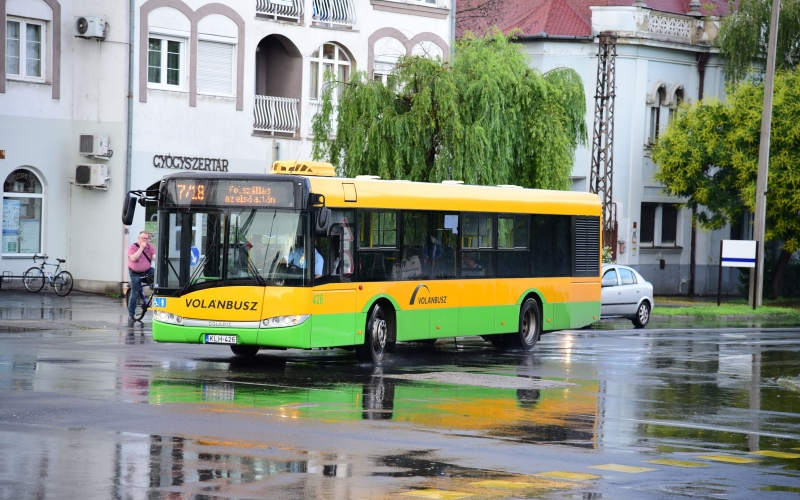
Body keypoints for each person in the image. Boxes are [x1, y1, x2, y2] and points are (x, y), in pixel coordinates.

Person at [127, 231, 155, 326]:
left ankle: (153, 288)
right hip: (135, 273)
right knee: (135, 292)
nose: (145, 240)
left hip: (146, 270)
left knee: (156, 274)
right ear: (139, 238)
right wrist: (141, 248)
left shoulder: (150, 247)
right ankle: (131, 315)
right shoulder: (133, 247)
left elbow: (155, 256)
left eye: (147, 238)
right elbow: (133, 258)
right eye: (143, 238)